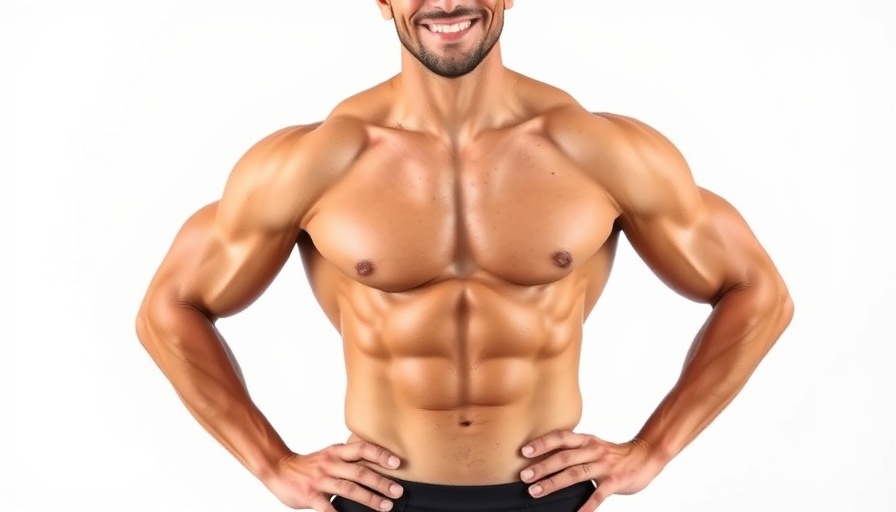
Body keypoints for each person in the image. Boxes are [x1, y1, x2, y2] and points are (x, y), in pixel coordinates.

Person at [135, 1, 794, 511]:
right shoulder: (315, 162)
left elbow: (757, 292)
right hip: (379, 499)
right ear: (382, 1)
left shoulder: (599, 150)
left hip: (551, 498)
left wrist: (653, 449)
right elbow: (169, 309)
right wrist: (272, 463)